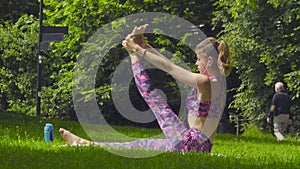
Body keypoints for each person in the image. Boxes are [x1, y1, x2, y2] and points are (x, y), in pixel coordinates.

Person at [59, 24, 231, 153]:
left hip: (190, 143)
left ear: (209, 61)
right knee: (137, 145)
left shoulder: (205, 82)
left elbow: (170, 68)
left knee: (152, 96)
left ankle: (133, 58)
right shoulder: (218, 83)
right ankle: (86, 144)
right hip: (195, 145)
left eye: (198, 59)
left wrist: (137, 51)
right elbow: (169, 64)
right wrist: (144, 46)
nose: (196, 63)